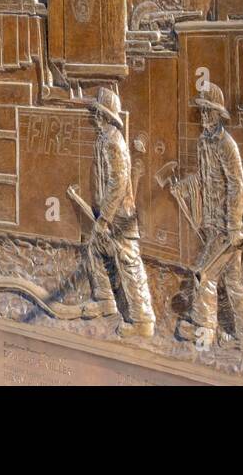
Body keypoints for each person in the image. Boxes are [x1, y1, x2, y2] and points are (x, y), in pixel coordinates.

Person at [175, 84, 243, 351]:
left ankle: (205, 332)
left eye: (208, 112)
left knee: (203, 275)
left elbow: (238, 186)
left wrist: (234, 225)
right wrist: (184, 186)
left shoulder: (226, 144)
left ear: (218, 114)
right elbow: (203, 179)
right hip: (212, 224)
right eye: (201, 111)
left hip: (226, 226)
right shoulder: (203, 142)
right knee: (233, 282)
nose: (203, 116)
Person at [81, 86, 155, 338]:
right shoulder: (104, 138)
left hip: (120, 216)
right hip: (109, 213)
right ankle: (105, 300)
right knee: (96, 249)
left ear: (105, 115)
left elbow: (119, 182)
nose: (94, 117)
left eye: (98, 113)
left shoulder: (113, 141)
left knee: (129, 263)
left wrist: (106, 216)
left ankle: (143, 321)